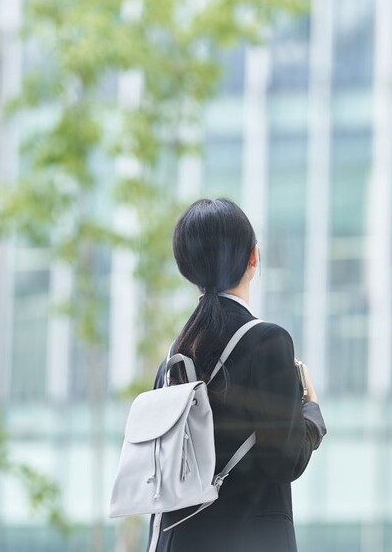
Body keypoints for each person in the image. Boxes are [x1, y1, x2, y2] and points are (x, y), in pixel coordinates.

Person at [148, 197, 326, 552]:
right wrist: (311, 411)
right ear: (254, 258)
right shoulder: (268, 342)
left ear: (189, 270)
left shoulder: (173, 361)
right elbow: (285, 460)